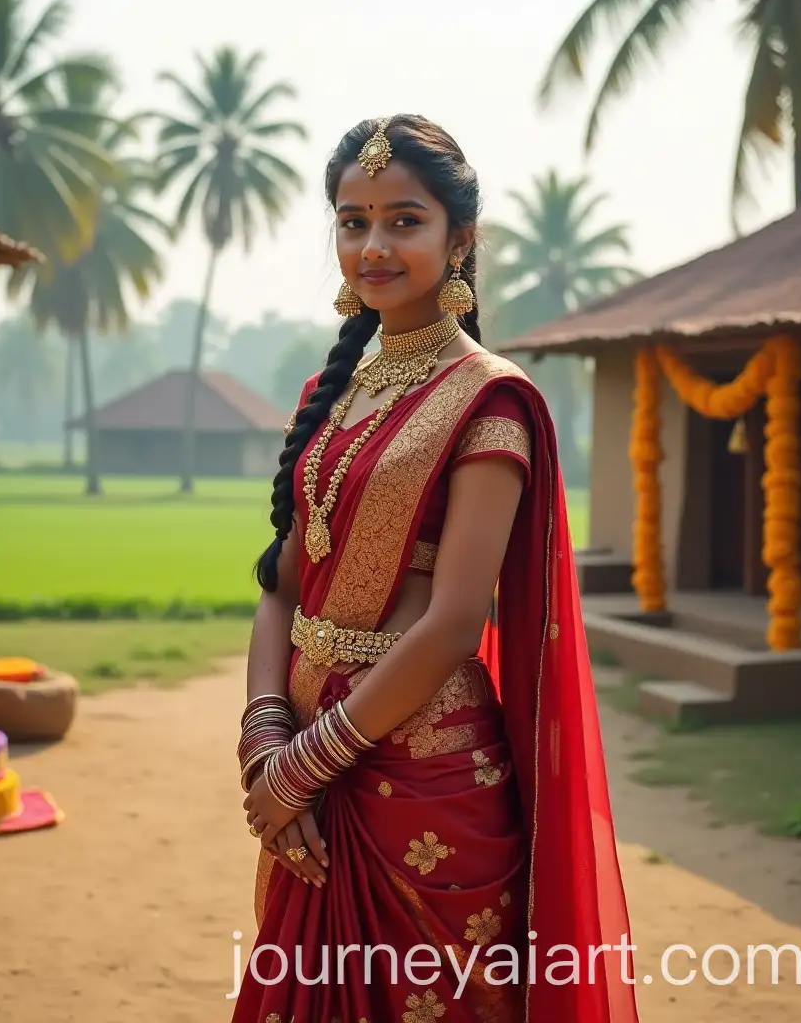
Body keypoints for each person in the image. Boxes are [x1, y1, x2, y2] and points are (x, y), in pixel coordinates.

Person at [233, 114, 640, 1023]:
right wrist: (264, 736)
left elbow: (455, 620)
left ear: (460, 240)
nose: (373, 245)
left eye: (403, 220)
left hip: (423, 781)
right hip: (303, 766)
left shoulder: (490, 400)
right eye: (352, 220)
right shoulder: (330, 393)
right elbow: (285, 581)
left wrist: (305, 766)